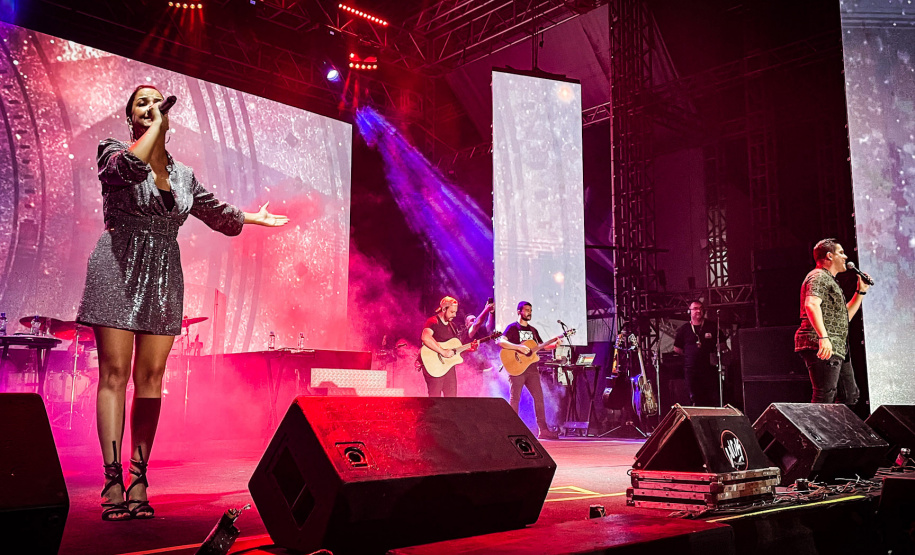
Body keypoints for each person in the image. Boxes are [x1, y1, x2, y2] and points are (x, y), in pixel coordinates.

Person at [77, 86, 288, 521]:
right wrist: (153, 130)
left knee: (150, 379)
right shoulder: (111, 150)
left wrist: (253, 217)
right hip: (117, 264)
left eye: (157, 101)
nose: (151, 107)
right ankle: (112, 478)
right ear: (131, 117)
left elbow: (216, 213)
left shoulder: (185, 175)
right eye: (142, 103)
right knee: (114, 375)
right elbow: (131, 169)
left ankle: (139, 476)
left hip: (163, 273)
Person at [794, 238, 870, 404]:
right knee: (825, 394)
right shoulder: (818, 277)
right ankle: (814, 430)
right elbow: (812, 304)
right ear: (829, 256)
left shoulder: (829, 280)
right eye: (841, 253)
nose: (845, 257)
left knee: (850, 395)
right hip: (821, 342)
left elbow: (845, 317)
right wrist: (823, 337)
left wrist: (860, 292)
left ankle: (838, 430)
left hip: (837, 345)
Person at [498, 301, 560, 440]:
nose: (529, 313)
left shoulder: (533, 330)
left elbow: (541, 346)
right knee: (515, 399)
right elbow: (500, 342)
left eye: (530, 310)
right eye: (526, 310)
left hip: (532, 369)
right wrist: (518, 347)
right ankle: (512, 428)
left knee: (539, 398)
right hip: (517, 368)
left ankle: (543, 430)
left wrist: (554, 345)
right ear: (519, 311)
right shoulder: (512, 328)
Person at [419, 297, 488, 397]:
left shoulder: (453, 326)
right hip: (433, 367)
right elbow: (425, 337)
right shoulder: (433, 322)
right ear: (443, 309)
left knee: (452, 399)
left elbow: (454, 349)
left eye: (455, 312)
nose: (454, 315)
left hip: (449, 368)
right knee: (434, 400)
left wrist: (469, 349)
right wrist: (442, 351)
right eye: (452, 312)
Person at [673, 300, 727, 407]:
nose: (698, 311)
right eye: (695, 309)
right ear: (690, 312)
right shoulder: (684, 329)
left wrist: (715, 351)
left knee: (711, 398)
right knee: (695, 398)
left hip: (709, 369)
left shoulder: (712, 326)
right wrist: (690, 354)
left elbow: (723, 344)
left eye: (701, 308)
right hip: (691, 370)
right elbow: (676, 348)